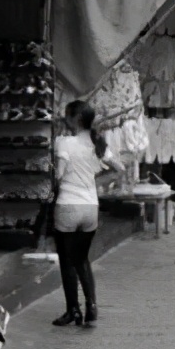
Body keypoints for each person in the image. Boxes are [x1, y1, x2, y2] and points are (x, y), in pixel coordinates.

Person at [51, 103, 121, 326]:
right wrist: (95, 182)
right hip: (91, 207)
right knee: (82, 259)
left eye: (67, 116)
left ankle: (73, 310)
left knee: (67, 262)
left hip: (68, 207)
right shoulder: (97, 143)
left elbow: (60, 175)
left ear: (75, 118)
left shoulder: (64, 142)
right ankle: (92, 306)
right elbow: (119, 168)